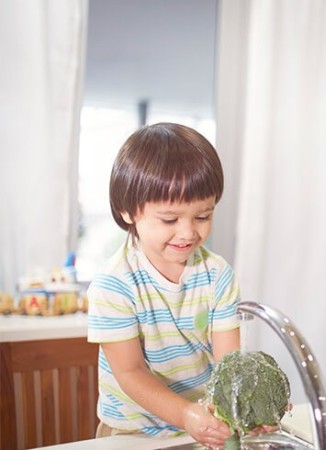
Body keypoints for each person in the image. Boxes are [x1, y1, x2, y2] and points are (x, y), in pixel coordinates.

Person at [87, 123, 240, 449]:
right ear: (127, 211)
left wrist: (244, 403)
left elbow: (228, 366)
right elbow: (130, 373)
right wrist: (186, 414)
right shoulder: (114, 285)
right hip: (130, 433)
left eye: (203, 216)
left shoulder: (218, 275)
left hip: (199, 426)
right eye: (170, 220)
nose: (187, 233)